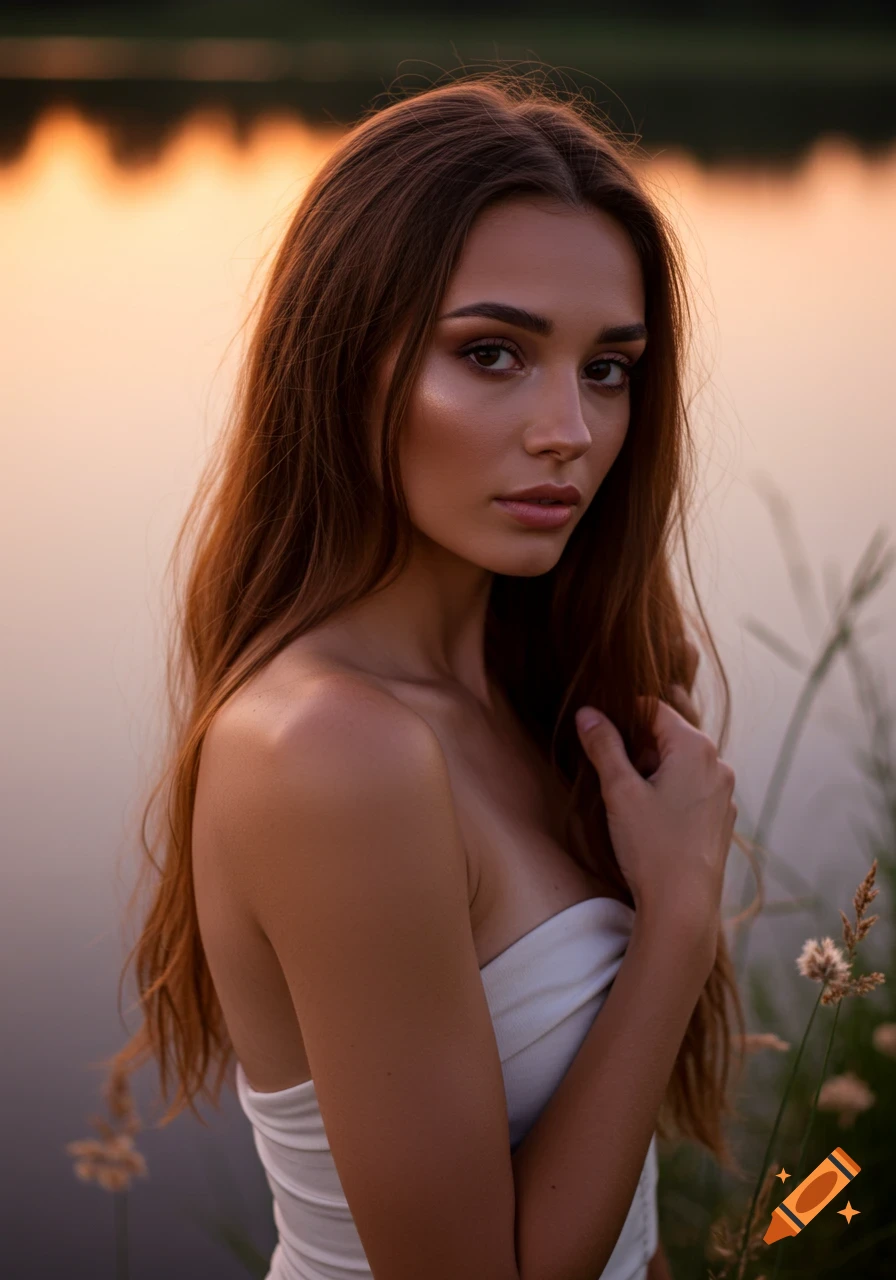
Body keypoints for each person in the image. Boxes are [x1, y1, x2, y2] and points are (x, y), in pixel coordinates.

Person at [109, 72, 747, 1280]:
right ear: (343, 363)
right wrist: (672, 923)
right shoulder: (330, 754)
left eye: (606, 367)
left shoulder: (544, 692)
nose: (568, 426)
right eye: (493, 353)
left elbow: (620, 1216)